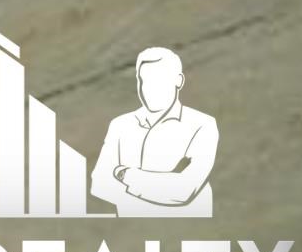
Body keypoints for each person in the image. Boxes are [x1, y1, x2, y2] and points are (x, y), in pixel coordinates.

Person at [90, 47, 218, 216]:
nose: (149, 89)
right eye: (144, 81)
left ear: (178, 81)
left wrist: (126, 175)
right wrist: (161, 185)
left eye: (159, 80)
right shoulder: (121, 125)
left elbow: (184, 189)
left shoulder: (202, 125)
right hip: (130, 228)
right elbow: (100, 185)